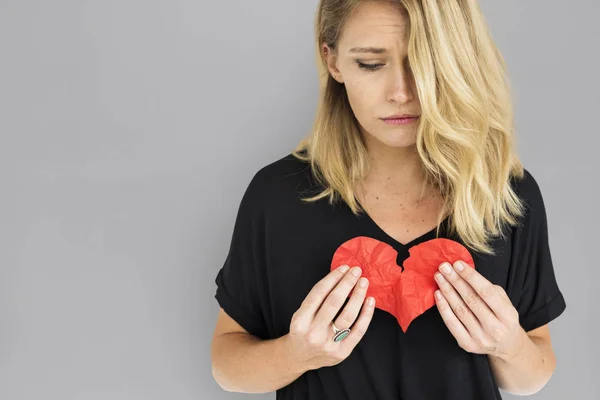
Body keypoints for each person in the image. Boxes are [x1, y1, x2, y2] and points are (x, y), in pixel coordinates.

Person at [210, 0, 567, 399]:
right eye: (371, 64)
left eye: (424, 63)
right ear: (333, 61)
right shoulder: (276, 196)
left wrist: (507, 344)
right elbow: (227, 365)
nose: (401, 93)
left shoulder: (505, 195)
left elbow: (533, 375)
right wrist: (298, 355)